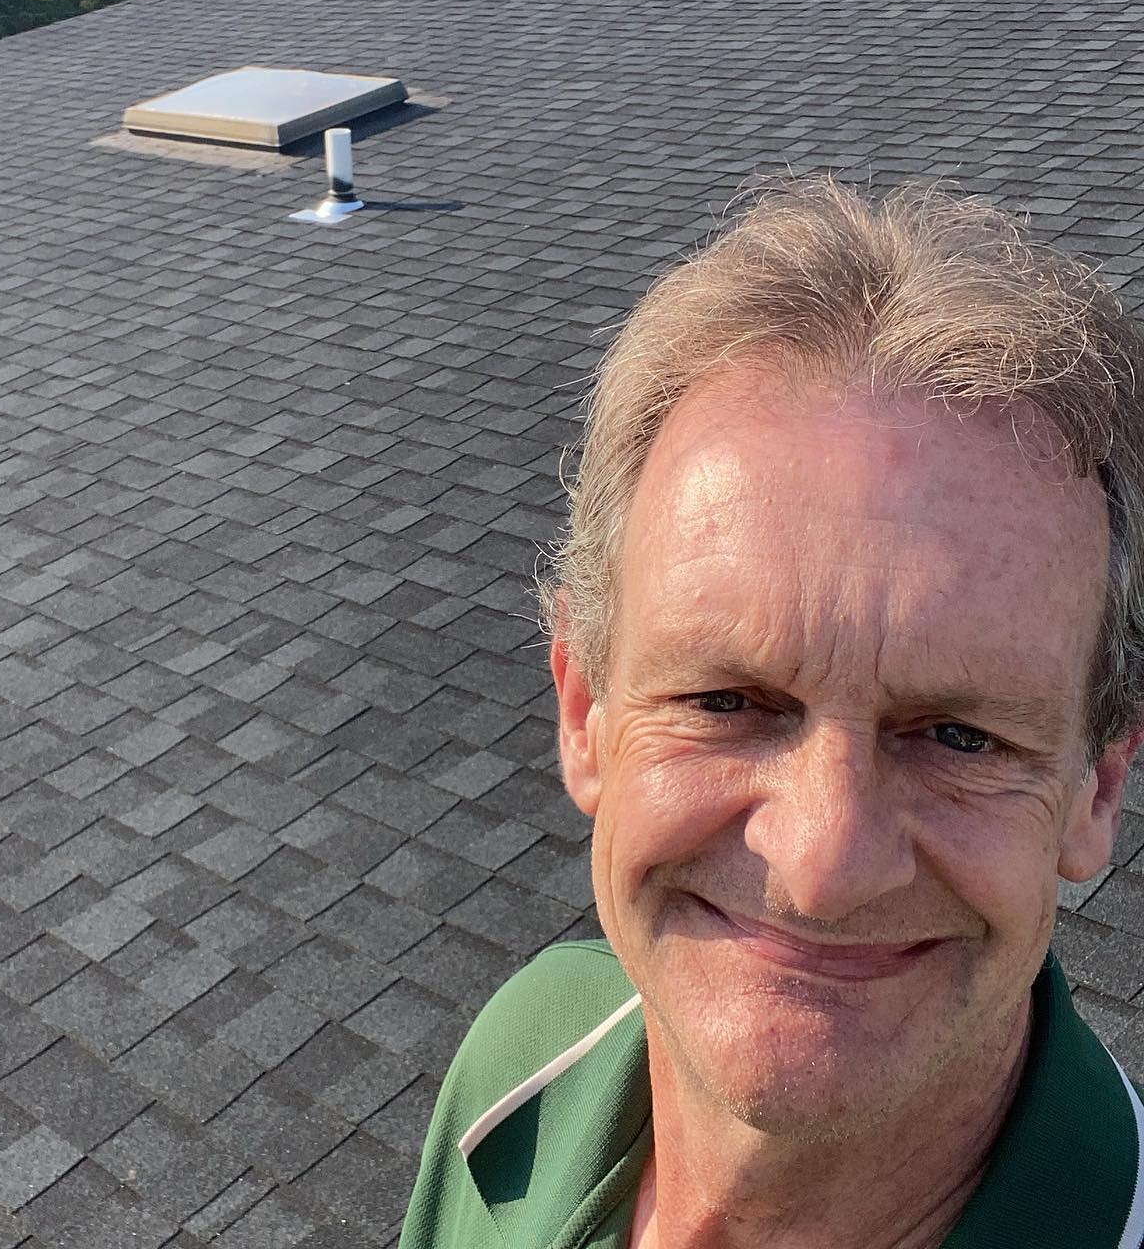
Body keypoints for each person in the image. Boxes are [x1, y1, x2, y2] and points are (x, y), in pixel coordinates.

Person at [398, 178, 1144, 1249]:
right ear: (583, 710)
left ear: (1098, 787)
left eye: (959, 736)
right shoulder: (519, 1063)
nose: (824, 864)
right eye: (725, 701)